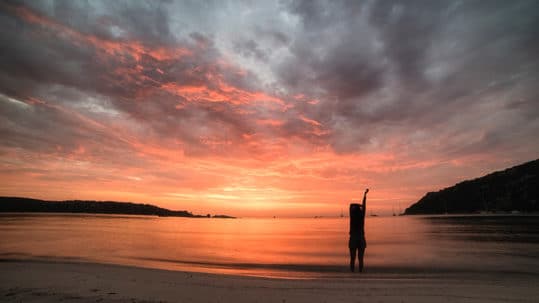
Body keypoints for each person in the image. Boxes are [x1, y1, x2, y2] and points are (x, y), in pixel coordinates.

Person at [349, 188, 368, 272]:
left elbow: (351, 205)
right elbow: (364, 205)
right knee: (360, 258)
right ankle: (360, 272)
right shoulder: (362, 216)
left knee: (353, 258)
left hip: (353, 238)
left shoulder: (352, 216)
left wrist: (359, 205)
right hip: (360, 238)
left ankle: (352, 272)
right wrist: (364, 195)